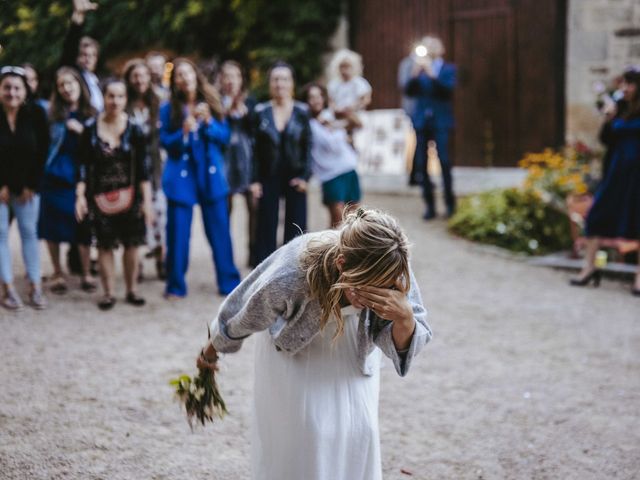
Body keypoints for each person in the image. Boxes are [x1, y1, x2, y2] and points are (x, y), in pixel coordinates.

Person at [197, 207, 432, 480]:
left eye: (382, 289)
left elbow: (412, 336)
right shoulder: (292, 272)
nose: (371, 299)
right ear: (342, 264)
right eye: (363, 288)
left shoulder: (391, 263)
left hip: (354, 348)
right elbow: (244, 309)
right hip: (296, 352)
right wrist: (211, 351)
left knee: (360, 429)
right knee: (311, 431)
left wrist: (404, 318)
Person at [160, 58, 241, 298]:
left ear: (196, 76)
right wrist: (182, 132)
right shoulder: (168, 108)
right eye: (179, 75)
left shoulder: (212, 102)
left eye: (188, 74)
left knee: (220, 231)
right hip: (181, 177)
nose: (184, 79)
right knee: (178, 233)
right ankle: (175, 285)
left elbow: (224, 137)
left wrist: (208, 123)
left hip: (209, 173)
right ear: (174, 81)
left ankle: (229, 283)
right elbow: (165, 141)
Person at [75, 79, 153, 310]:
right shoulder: (90, 128)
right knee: (105, 245)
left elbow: (143, 170)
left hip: (131, 196)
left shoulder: (136, 129)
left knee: (132, 244)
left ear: (125, 99)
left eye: (120, 96)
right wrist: (79, 196)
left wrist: (146, 202)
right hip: (98, 196)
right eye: (110, 96)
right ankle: (108, 293)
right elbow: (81, 165)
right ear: (104, 97)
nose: (115, 101)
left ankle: (132, 290)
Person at [570, 69, 640, 296]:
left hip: (637, 173)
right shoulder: (620, 108)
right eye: (624, 84)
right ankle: (588, 267)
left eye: (630, 84)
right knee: (597, 215)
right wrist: (609, 119)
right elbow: (606, 140)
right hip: (616, 171)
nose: (625, 89)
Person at [38, 66, 96, 294]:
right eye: (61, 85)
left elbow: (97, 146)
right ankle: (57, 272)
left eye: (69, 83)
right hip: (54, 175)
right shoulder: (51, 114)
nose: (66, 88)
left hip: (81, 176)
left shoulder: (90, 113)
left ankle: (86, 272)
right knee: (51, 227)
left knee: (82, 226)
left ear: (79, 85)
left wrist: (82, 131)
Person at [251, 61, 312, 265]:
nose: (280, 84)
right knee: (266, 225)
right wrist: (254, 180)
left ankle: (293, 268)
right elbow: (255, 150)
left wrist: (305, 176)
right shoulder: (261, 112)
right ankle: (264, 269)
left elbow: (309, 147)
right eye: (276, 79)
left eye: (284, 79)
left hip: (295, 175)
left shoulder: (302, 112)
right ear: (270, 83)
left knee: (297, 227)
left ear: (292, 83)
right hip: (268, 174)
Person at [0, 66, 49, 310]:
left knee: (30, 233)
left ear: (25, 90)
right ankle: (7, 287)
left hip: (28, 187)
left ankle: (35, 285)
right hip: (1, 189)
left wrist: (31, 184)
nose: (12, 92)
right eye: (7, 87)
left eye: (17, 88)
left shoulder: (36, 114)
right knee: (0, 236)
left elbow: (42, 152)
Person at [398, 35, 457, 218]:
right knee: (422, 164)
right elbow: (408, 91)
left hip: (440, 121)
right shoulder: (419, 70)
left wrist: (432, 73)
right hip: (422, 122)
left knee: (444, 162)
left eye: (433, 45)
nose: (429, 48)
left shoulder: (447, 69)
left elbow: (447, 92)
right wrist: (415, 73)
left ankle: (449, 204)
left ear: (441, 49)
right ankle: (429, 206)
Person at [123, 58, 165, 280]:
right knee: (136, 213)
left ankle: (161, 259)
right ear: (129, 80)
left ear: (149, 78)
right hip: (132, 167)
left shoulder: (159, 102)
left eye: (143, 75)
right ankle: (136, 264)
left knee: (159, 212)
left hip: (157, 165)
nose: (139, 80)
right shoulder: (124, 104)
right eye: (135, 76)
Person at [304, 82, 362, 228]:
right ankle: (333, 250)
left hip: (349, 168)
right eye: (311, 97)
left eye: (319, 96)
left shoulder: (332, 116)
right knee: (338, 221)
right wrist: (339, 129)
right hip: (330, 174)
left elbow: (358, 124)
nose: (316, 100)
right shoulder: (308, 124)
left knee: (354, 220)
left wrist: (338, 119)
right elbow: (331, 145)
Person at [219, 60, 258, 266]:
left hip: (247, 159)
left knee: (254, 205)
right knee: (225, 207)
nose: (231, 80)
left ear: (241, 79)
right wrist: (226, 110)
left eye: (235, 76)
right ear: (221, 79)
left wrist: (246, 113)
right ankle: (226, 254)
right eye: (227, 76)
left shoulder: (250, 102)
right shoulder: (216, 102)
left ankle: (253, 251)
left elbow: (256, 131)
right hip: (225, 160)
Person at [60, 0, 103, 112]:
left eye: (92, 55)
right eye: (84, 55)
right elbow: (70, 47)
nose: (88, 59)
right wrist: (78, 18)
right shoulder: (75, 76)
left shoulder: (100, 79)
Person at [326, 48, 372, 134]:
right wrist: (336, 108)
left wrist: (353, 107)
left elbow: (366, 100)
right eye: (342, 67)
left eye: (347, 66)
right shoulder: (333, 84)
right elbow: (330, 101)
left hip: (355, 113)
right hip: (338, 114)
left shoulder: (359, 83)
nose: (344, 70)